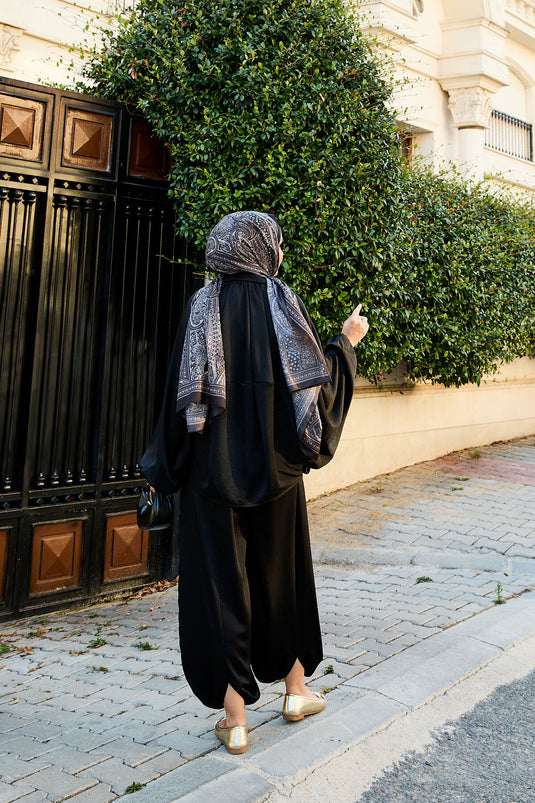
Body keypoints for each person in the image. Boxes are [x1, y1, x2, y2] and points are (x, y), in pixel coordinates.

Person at [141, 210, 368, 755]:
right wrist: (346, 341)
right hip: (278, 476)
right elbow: (316, 397)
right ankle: (295, 693)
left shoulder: (201, 308)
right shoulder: (284, 305)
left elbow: (178, 402)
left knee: (221, 591)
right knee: (281, 579)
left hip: (210, 480)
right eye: (278, 243)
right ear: (260, 248)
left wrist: (164, 471)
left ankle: (236, 721)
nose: (283, 252)